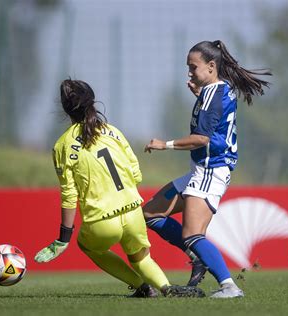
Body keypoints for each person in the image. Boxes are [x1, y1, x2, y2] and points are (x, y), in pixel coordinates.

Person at [34, 79, 204, 298]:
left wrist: (63, 238)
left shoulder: (62, 146)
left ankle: (142, 288)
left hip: (101, 221)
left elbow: (69, 195)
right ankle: (167, 288)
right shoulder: (112, 131)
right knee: (141, 258)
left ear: (66, 108)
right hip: (133, 213)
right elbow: (136, 173)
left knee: (87, 246)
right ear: (92, 102)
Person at [143, 40, 271, 298]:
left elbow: (201, 139)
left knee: (191, 233)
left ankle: (229, 286)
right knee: (150, 214)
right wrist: (199, 96)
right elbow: (214, 118)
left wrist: (164, 144)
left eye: (193, 67)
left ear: (211, 66)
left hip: (211, 171)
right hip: (200, 170)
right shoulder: (217, 90)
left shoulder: (212, 94)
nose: (189, 72)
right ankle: (198, 256)